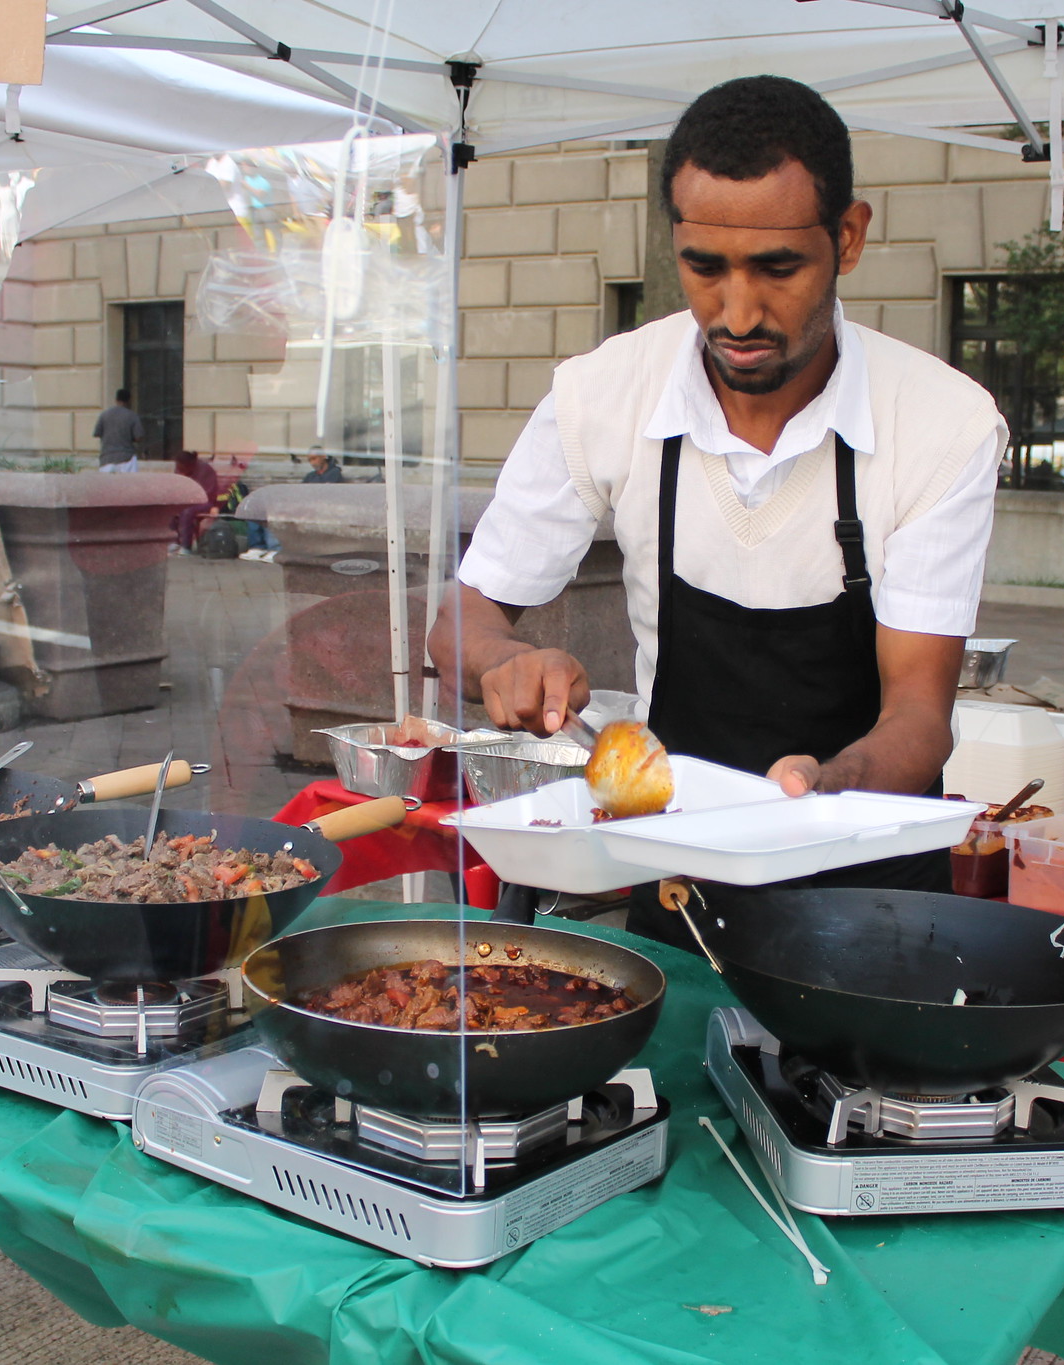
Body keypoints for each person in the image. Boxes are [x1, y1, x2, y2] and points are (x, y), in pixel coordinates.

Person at [427, 76, 1006, 938]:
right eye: (704, 267)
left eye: (777, 268)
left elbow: (920, 714)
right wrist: (502, 660)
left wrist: (820, 791)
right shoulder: (601, 395)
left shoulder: (942, 423)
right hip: (674, 875)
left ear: (847, 238)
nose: (736, 312)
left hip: (869, 877)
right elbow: (459, 621)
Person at [93, 389, 143, 473]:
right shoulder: (132, 416)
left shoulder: (104, 415)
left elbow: (97, 433)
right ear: (129, 401)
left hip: (106, 459)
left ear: (116, 400)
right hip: (127, 458)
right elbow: (139, 437)